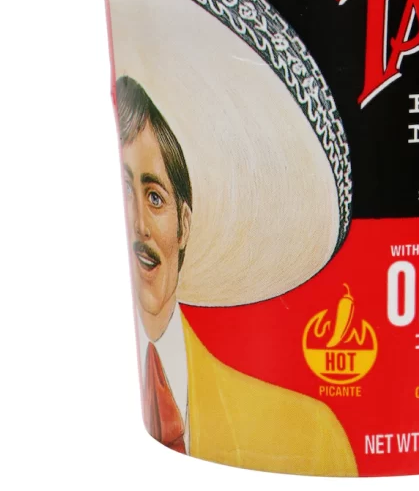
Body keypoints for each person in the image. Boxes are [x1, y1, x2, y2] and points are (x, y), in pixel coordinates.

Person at [117, 75, 357, 474]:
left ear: (184, 225)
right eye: (126, 191)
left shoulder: (312, 434)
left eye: (155, 197)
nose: (139, 223)